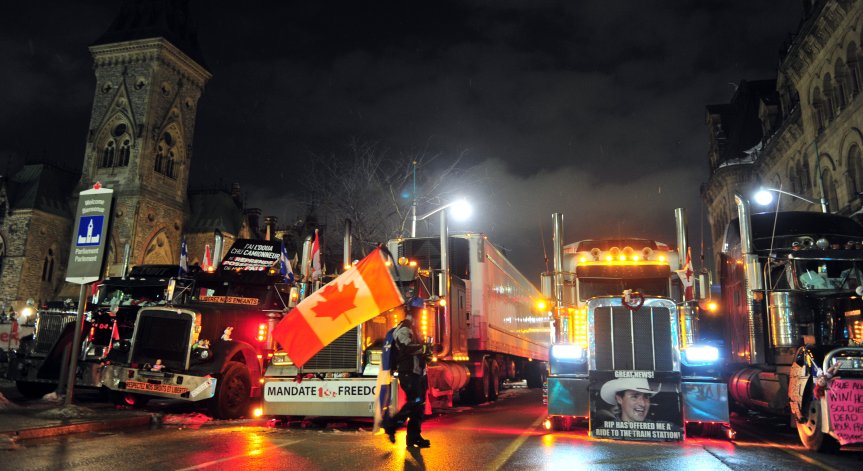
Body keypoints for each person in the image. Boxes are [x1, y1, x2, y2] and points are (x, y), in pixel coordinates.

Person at [383, 297, 431, 448]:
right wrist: (423, 349)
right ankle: (391, 424)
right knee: (414, 401)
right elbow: (406, 347)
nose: (420, 313)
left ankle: (414, 438)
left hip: (418, 372)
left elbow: (421, 350)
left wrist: (427, 352)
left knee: (418, 405)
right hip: (408, 373)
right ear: (411, 311)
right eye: (418, 311)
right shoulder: (403, 329)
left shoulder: (415, 329)